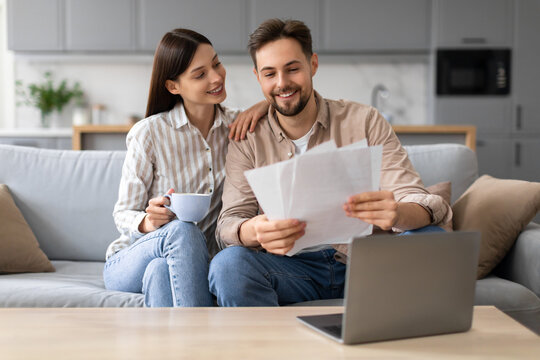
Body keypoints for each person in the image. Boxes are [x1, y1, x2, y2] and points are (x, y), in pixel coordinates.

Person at [208, 19, 452, 307]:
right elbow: (229, 223)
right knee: (229, 266)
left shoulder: (364, 120)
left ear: (313, 64)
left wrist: (397, 213)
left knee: (431, 240)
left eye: (292, 69)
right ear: (257, 77)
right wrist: (254, 231)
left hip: (367, 264)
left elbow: (415, 196)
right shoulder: (247, 137)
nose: (282, 83)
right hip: (291, 270)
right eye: (270, 73)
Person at [103, 28, 268, 307]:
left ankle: (174, 349)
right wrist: (148, 220)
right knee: (182, 230)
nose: (216, 77)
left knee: (160, 272)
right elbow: (122, 213)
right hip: (133, 258)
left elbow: (292, 101)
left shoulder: (240, 127)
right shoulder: (150, 133)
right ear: (173, 86)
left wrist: (265, 105)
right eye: (200, 74)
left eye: (216, 63)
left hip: (191, 263)